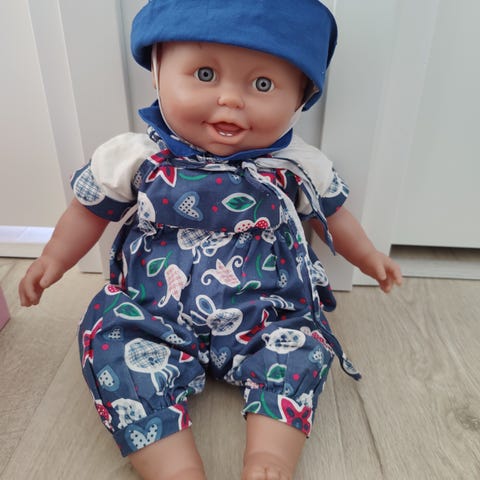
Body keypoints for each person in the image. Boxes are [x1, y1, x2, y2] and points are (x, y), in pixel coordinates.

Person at [19, 1, 402, 479]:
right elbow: (87, 210)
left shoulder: (298, 165)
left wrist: (368, 256)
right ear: (157, 73)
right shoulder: (136, 155)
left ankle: (270, 458)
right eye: (205, 74)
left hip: (265, 309)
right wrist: (53, 258)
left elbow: (333, 217)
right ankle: (173, 465)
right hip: (152, 309)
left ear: (300, 97)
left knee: (301, 345)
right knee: (110, 339)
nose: (230, 99)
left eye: (263, 85)